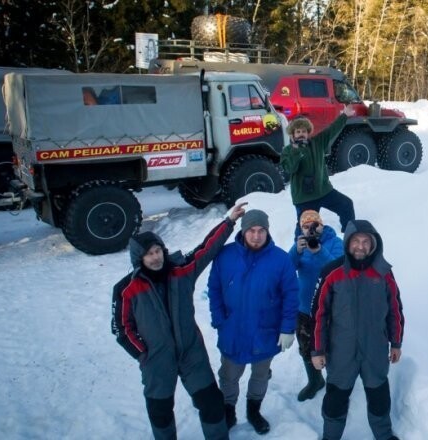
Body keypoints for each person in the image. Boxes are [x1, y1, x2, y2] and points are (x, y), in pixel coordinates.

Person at [111, 202, 247, 440]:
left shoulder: (181, 271)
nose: (155, 258)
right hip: (156, 359)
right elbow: (121, 328)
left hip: (191, 351)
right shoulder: (126, 289)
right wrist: (144, 353)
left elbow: (206, 249)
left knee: (212, 403)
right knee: (160, 411)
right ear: (138, 258)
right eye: (148, 254)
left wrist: (229, 222)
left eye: (157, 251)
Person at [206, 209, 299, 435]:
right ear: (243, 230)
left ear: (267, 231)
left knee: (260, 375)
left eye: (261, 230)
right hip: (233, 331)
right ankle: (228, 410)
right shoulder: (225, 255)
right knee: (229, 376)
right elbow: (214, 288)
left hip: (264, 332)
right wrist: (219, 319)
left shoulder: (280, 259)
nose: (256, 236)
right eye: (251, 230)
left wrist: (288, 328)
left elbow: (291, 294)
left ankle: (253, 410)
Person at [311, 220, 405, 440]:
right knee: (336, 400)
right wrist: (317, 350)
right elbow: (318, 315)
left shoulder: (384, 272)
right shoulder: (332, 272)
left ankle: (384, 435)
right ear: (347, 243)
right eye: (356, 241)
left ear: (373, 245)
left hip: (375, 350)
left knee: (379, 397)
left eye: (366, 242)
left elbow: (395, 310)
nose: (360, 246)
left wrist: (396, 343)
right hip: (341, 351)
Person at [288, 209, 344, 402]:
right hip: (304, 309)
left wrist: (319, 251)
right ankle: (315, 381)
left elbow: (338, 269)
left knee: (333, 347)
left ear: (322, 224)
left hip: (330, 309)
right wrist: (296, 250)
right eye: (306, 226)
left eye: (315, 225)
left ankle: (336, 381)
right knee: (306, 346)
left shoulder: (335, 243)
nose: (311, 229)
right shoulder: (299, 245)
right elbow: (286, 269)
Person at [280, 105, 356, 232]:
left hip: (324, 191)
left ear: (308, 133)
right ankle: (300, 248)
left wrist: (345, 116)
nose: (301, 134)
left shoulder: (317, 142)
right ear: (293, 134)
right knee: (306, 228)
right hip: (304, 198)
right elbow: (290, 169)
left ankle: (348, 235)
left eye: (304, 131)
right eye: (298, 132)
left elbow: (332, 129)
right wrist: (296, 151)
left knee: (346, 205)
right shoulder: (288, 151)